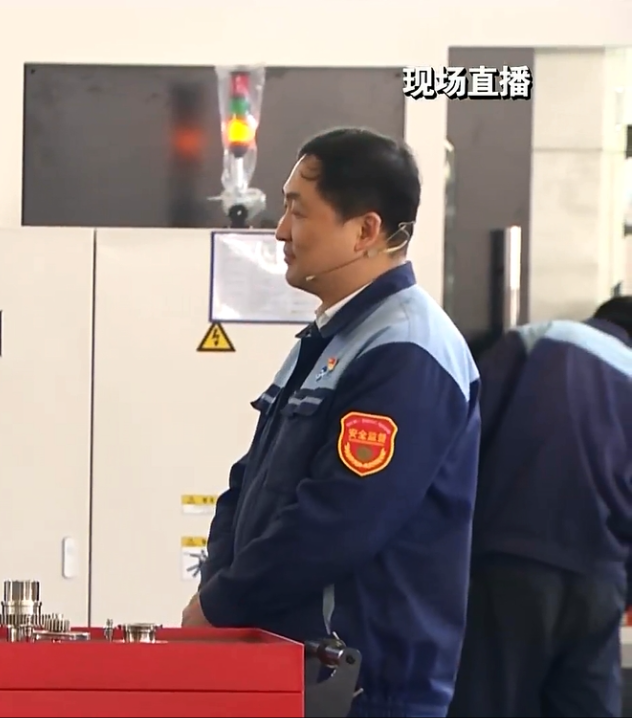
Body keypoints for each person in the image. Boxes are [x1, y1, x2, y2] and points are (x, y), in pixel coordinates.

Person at [181, 128, 481, 718]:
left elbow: (339, 519)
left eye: (298, 211)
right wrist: (219, 594)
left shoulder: (407, 350)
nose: (280, 231)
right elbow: (248, 484)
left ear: (365, 231)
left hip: (364, 689)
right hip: (292, 671)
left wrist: (222, 604)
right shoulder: (330, 339)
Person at [447, 296, 632, 718]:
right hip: (599, 579)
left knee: (489, 702)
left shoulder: (540, 338)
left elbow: (462, 436)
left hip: (509, 565)